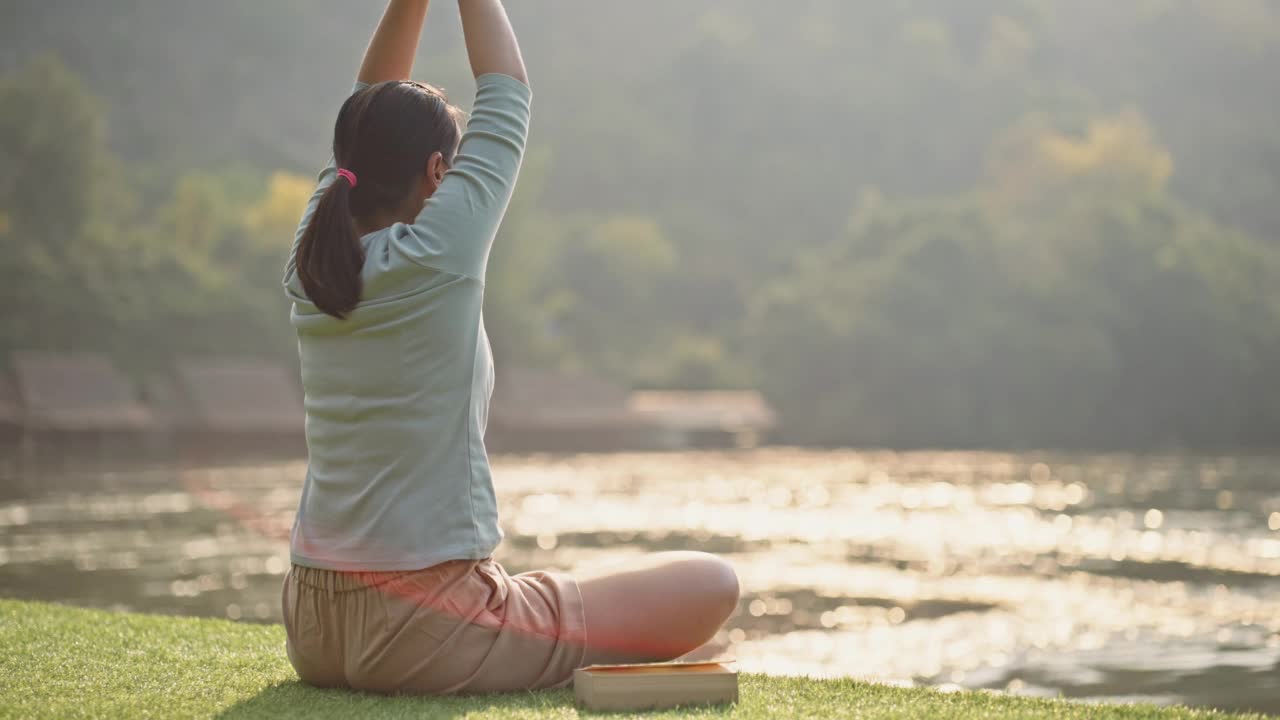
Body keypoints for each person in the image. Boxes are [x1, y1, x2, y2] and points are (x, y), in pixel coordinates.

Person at [280, 0, 739, 695]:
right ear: (439, 173)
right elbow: (507, 94)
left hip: (311, 628)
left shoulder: (309, 264)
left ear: (351, 165)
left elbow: (364, 112)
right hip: (429, 633)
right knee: (713, 581)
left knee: (555, 591)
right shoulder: (440, 251)